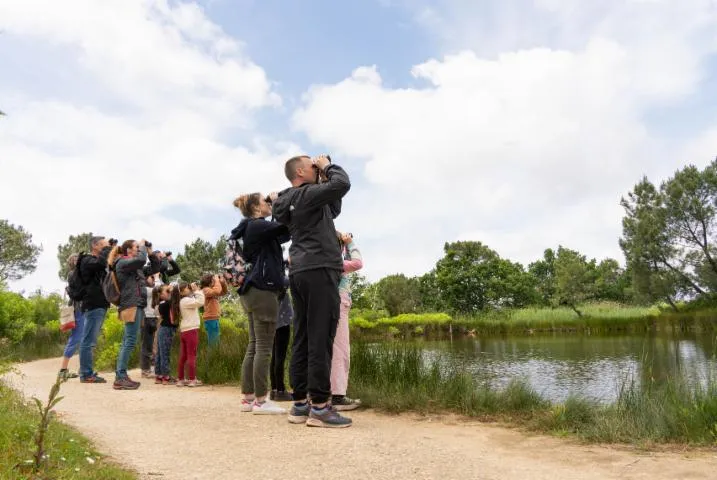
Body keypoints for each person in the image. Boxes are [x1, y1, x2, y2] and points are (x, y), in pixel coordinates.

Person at [272, 154, 352, 428]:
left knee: (303, 337)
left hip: (300, 271)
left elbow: (333, 208)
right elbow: (343, 184)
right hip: (320, 268)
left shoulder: (291, 199)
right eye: (312, 165)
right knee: (321, 337)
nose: (317, 167)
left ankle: (300, 404)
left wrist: (322, 175)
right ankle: (320, 406)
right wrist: (328, 167)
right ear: (302, 172)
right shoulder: (306, 195)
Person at [232, 192, 290, 415]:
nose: (268, 204)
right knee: (264, 347)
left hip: (252, 290)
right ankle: (260, 401)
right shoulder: (257, 226)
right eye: (264, 202)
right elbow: (285, 225)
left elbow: (284, 233)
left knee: (254, 345)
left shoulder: (253, 228)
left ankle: (248, 399)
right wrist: (277, 202)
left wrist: (275, 207)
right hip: (263, 290)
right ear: (256, 208)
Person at [110, 239, 159, 390]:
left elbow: (156, 267)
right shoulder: (122, 263)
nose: (139, 249)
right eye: (136, 247)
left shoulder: (134, 267)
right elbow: (140, 260)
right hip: (131, 305)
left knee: (128, 340)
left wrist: (150, 251)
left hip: (135, 304)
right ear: (128, 250)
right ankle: (120, 377)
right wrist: (143, 246)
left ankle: (121, 375)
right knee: (130, 341)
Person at [331, 231, 364, 411]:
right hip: (339, 307)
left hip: (331, 306)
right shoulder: (338, 263)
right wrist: (350, 242)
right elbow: (358, 263)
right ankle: (338, 397)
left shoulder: (327, 260)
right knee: (341, 352)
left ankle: (327, 393)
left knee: (330, 350)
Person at [78, 236, 113, 383]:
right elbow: (99, 264)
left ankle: (87, 372)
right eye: (103, 246)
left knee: (90, 340)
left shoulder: (98, 261)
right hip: (93, 304)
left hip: (99, 304)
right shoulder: (87, 260)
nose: (106, 249)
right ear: (95, 246)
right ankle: (86, 374)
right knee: (88, 341)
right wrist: (106, 251)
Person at [171, 281, 205, 387]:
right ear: (181, 292)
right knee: (191, 355)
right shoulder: (186, 300)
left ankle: (181, 379)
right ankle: (192, 379)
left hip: (185, 330)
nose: (189, 288)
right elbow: (201, 302)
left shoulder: (182, 301)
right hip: (191, 330)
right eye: (186, 288)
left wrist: (194, 291)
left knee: (184, 356)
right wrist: (197, 290)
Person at [58, 254, 84, 380]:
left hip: (85, 309)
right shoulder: (73, 274)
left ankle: (83, 368)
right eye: (75, 259)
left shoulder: (82, 273)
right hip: (79, 309)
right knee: (76, 338)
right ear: (71, 262)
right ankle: (63, 370)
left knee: (84, 339)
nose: (78, 260)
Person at [270, 277, 293, 401]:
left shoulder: (269, 282)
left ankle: (274, 389)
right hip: (282, 323)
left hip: (274, 322)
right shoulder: (280, 281)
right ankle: (280, 389)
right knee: (280, 357)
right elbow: (289, 280)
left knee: (274, 357)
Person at [154, 284, 177, 385]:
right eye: (166, 291)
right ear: (160, 295)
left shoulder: (164, 303)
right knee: (164, 353)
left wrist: (168, 291)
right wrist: (171, 291)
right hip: (166, 329)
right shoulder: (163, 304)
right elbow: (173, 300)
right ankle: (166, 377)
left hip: (163, 329)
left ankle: (159, 376)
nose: (168, 292)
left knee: (160, 353)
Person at [200, 273, 229, 347]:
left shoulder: (212, 290)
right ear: (209, 281)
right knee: (213, 342)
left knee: (215, 341)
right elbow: (217, 292)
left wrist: (223, 283)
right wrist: (217, 280)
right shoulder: (205, 290)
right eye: (213, 280)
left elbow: (224, 292)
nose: (215, 281)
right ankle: (212, 357)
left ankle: (214, 356)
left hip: (214, 318)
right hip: (210, 318)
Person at [141, 275, 160, 378]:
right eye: (151, 277)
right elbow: (158, 289)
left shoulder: (151, 288)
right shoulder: (145, 289)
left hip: (154, 317)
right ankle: (145, 369)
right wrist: (156, 277)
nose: (153, 279)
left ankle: (151, 367)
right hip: (146, 318)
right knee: (146, 344)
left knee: (153, 344)